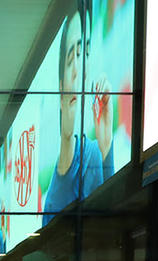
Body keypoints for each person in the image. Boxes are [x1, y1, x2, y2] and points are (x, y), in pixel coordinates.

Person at [42, 6, 113, 225]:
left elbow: (110, 221)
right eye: (72, 57)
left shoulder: (92, 151)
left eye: (86, 53)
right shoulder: (67, 166)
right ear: (61, 85)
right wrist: (66, 137)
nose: (79, 68)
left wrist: (106, 144)